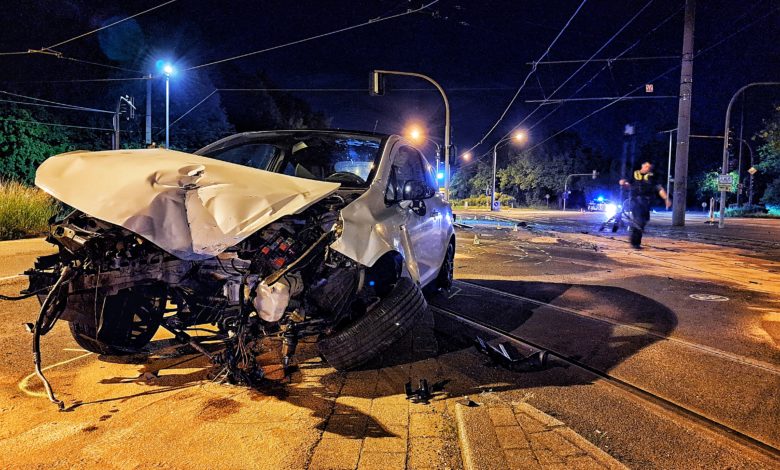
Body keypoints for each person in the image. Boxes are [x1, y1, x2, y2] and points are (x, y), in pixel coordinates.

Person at [619, 161, 671, 249]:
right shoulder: (634, 174)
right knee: (638, 221)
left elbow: (659, 188)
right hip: (635, 201)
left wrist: (666, 198)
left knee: (645, 220)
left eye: (649, 167)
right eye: (646, 166)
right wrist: (623, 183)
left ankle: (636, 239)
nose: (648, 168)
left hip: (646, 201)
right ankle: (635, 242)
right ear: (642, 165)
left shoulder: (652, 177)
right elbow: (626, 183)